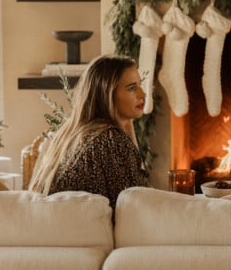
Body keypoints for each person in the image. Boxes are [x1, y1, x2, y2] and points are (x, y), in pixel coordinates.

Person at [29, 55, 148, 223]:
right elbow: (137, 208)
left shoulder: (77, 134)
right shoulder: (110, 141)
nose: (143, 93)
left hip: (63, 236)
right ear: (107, 94)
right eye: (131, 88)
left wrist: (127, 125)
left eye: (140, 85)